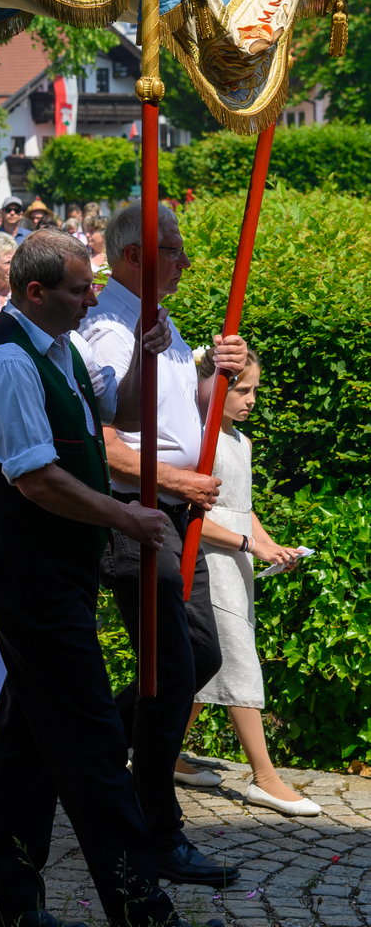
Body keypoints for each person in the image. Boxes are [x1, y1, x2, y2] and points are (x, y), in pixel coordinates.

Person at [0, 231, 222, 927]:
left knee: (25, 746)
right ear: (34, 293)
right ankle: (141, 906)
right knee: (89, 745)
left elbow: (126, 417)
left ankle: (5, 903)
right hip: (30, 570)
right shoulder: (10, 366)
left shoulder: (64, 353)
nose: (91, 299)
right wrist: (123, 515)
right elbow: (34, 478)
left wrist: (142, 356)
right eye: (81, 290)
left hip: (60, 568)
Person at [79, 201, 245, 887]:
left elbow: (182, 409)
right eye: (172, 251)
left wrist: (222, 367)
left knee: (196, 653)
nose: (183, 261)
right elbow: (105, 438)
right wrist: (175, 477)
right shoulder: (110, 329)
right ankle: (154, 828)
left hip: (176, 511)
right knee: (167, 671)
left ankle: (87, 754)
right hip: (136, 512)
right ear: (132, 258)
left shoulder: (156, 320)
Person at [176, 347, 320, 817]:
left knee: (207, 665)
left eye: (254, 389)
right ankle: (264, 776)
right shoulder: (197, 441)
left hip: (234, 562)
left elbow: (242, 507)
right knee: (238, 657)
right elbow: (193, 516)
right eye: (242, 389)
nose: (251, 399)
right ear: (209, 387)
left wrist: (271, 545)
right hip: (208, 563)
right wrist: (247, 544)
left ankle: (162, 750)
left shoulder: (240, 441)